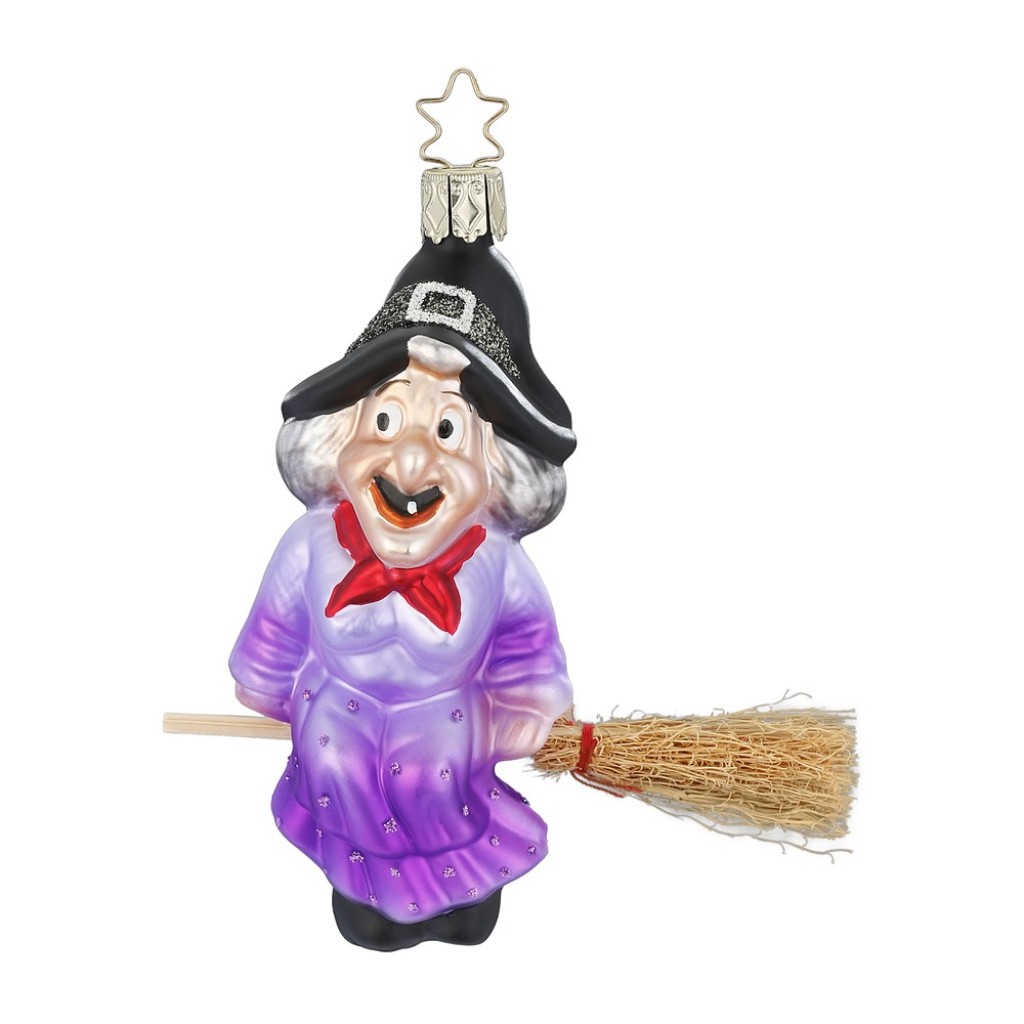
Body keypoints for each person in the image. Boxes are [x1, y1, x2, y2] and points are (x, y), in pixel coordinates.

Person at [230, 234, 577, 950]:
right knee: (362, 904)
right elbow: (274, 633)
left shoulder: (499, 565)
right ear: (342, 436)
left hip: (447, 774)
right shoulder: (311, 545)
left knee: (465, 889)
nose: (412, 459)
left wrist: (529, 709)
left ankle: (462, 900)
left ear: (496, 468)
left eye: (448, 430)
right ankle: (367, 901)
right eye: (385, 421)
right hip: (341, 766)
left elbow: (530, 653)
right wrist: (266, 684)